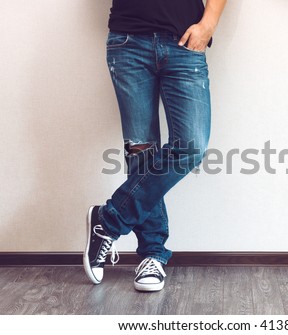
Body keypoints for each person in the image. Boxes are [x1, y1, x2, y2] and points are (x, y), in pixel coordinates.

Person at [83, 0, 227, 292]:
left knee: (191, 147)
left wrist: (208, 24)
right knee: (141, 151)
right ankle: (152, 254)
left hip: (185, 42)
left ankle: (108, 220)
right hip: (128, 41)